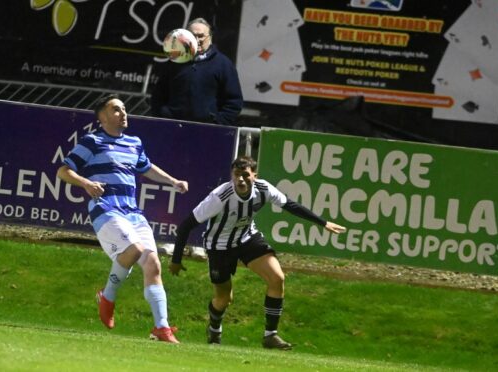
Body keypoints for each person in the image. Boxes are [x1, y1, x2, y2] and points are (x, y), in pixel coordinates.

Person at [168, 156, 346, 349]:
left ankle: (270, 335)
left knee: (277, 278)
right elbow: (186, 225)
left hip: (247, 238)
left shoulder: (263, 189)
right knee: (224, 297)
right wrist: (176, 259)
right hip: (219, 246)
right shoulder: (220, 197)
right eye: (237, 175)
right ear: (231, 176)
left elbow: (290, 205)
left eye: (245, 175)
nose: (241, 180)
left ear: (255, 175)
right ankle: (214, 328)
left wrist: (324, 223)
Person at [57, 94, 188, 343]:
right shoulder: (92, 141)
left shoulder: (134, 142)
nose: (123, 113)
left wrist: (173, 181)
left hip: (132, 213)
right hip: (106, 209)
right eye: (116, 110)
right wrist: (86, 183)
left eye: (124, 109)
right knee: (135, 249)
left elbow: (146, 167)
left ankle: (161, 328)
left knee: (153, 265)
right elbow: (64, 170)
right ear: (102, 117)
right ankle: (108, 297)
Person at [151, 17, 243, 126]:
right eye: (192, 36)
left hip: (207, 132)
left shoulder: (223, 64)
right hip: (172, 128)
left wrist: (217, 123)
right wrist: (164, 114)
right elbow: (158, 95)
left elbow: (234, 102)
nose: (197, 40)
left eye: (201, 36)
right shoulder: (175, 62)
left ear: (210, 37)